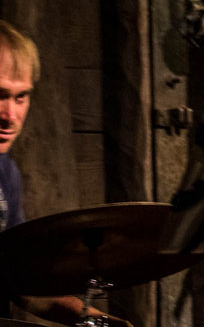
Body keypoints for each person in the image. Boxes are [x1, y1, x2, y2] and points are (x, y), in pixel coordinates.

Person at [0, 20, 133, 327]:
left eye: (21, 97)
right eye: (0, 95)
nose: (11, 116)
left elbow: (21, 282)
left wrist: (98, 321)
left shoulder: (6, 172)